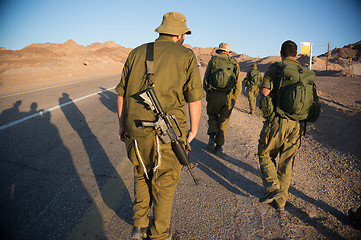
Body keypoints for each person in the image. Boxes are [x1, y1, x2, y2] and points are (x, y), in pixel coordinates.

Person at [115, 12, 204, 240]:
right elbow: (194, 97)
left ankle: (138, 226)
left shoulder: (136, 52)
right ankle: (159, 234)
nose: (184, 37)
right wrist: (194, 129)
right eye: (184, 33)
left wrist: (122, 125)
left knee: (141, 174)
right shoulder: (186, 56)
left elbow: (122, 94)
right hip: (169, 135)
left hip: (136, 131)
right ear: (179, 34)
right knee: (163, 186)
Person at [257, 40, 317, 211]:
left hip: (277, 122)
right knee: (286, 163)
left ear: (281, 53)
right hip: (297, 126)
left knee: (265, 153)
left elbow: (265, 92)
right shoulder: (306, 73)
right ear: (296, 55)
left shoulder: (275, 69)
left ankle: (273, 187)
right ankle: (281, 202)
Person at [203, 43, 242, 154]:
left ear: (219, 51)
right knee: (224, 121)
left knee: (212, 116)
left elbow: (206, 80)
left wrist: (209, 94)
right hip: (227, 96)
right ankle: (219, 146)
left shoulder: (213, 61)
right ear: (227, 52)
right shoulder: (234, 63)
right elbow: (238, 83)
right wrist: (234, 96)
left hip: (214, 95)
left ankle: (211, 137)